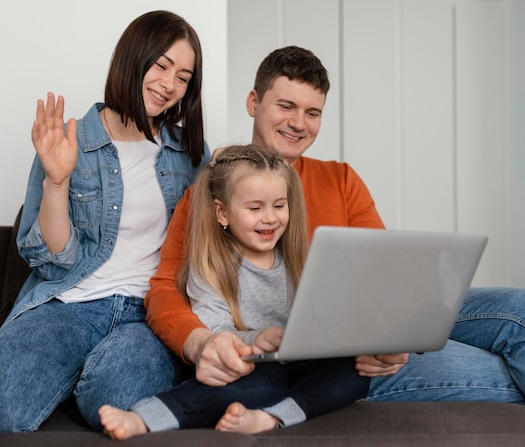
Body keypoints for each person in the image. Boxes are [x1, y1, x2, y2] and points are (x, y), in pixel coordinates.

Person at [145, 45, 525, 424]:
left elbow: (386, 277)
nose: (298, 123)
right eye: (285, 106)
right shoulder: (212, 191)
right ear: (254, 103)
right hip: (318, 354)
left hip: (364, 327)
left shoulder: (340, 178)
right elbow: (164, 287)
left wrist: (395, 339)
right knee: (505, 368)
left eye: (313, 112)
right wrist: (198, 342)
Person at [0, 10, 211, 433]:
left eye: (183, 76)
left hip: (147, 313)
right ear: (133, 57)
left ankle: (81, 374)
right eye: (161, 65)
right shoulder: (72, 141)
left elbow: (204, 249)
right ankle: (64, 367)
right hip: (71, 303)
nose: (169, 84)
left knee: (113, 402)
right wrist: (57, 181)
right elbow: (54, 263)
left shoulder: (191, 153)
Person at [98, 144, 370, 440]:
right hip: (245, 366)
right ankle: (144, 418)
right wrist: (256, 340)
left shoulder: (297, 259)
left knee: (356, 371)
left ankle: (271, 417)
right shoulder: (213, 266)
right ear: (222, 213)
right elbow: (217, 331)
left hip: (298, 362)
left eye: (279, 206)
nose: (270, 218)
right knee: (265, 381)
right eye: (255, 208)